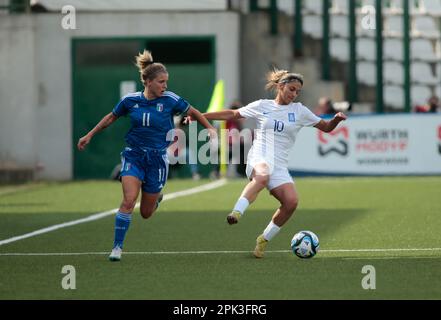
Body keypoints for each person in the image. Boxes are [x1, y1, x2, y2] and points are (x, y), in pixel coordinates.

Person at [187, 69, 347, 258]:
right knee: (262, 176)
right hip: (258, 157)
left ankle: (263, 239)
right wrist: (201, 116)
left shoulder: (300, 111)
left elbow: (326, 127)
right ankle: (236, 212)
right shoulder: (262, 105)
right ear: (281, 86)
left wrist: (335, 120)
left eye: (297, 92)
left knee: (291, 202)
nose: (294, 94)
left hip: (279, 165)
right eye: (291, 89)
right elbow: (232, 113)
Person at [77, 50, 215, 262]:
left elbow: (193, 112)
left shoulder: (170, 100)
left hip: (158, 160)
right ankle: (117, 247)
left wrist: (209, 129)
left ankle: (156, 197)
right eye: (161, 82)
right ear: (148, 82)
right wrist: (89, 135)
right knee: (129, 201)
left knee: (146, 213)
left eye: (166, 82)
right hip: (134, 156)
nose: (165, 86)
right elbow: (110, 118)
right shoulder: (130, 101)